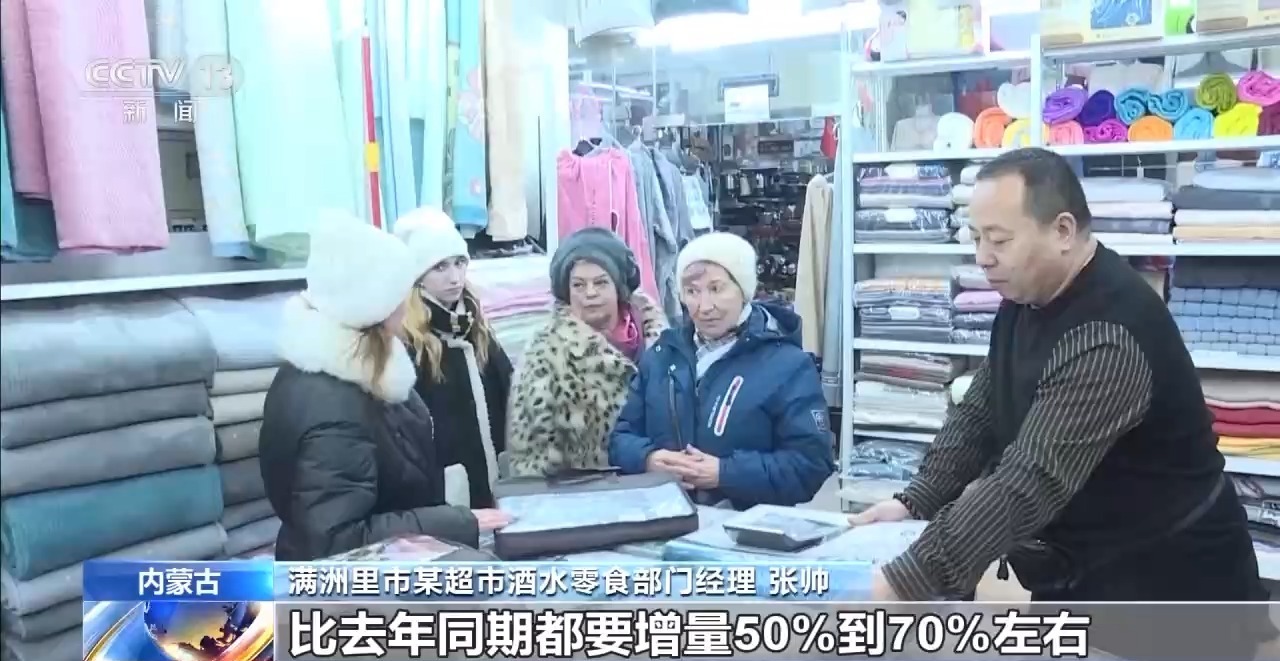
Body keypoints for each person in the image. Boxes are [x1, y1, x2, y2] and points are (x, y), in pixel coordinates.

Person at [850, 149, 1268, 655]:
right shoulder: (1026, 299)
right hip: (1084, 568)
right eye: (976, 238)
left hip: (1173, 588)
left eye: (999, 239)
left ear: (1063, 231)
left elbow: (1029, 479)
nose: (983, 256)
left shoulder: (1108, 333)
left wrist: (907, 579)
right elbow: (981, 410)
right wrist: (915, 500)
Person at [259, 216, 510, 560]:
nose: (407, 303)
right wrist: (454, 522)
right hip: (357, 584)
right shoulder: (334, 408)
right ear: (376, 304)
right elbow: (335, 539)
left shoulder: (356, 374)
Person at [609, 232, 834, 509]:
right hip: (665, 519)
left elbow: (811, 465)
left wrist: (724, 473)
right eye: (692, 292)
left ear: (744, 290)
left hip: (744, 528)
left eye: (716, 289)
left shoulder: (788, 365)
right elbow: (620, 438)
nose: (705, 307)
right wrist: (648, 459)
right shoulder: (662, 356)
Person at [506, 227, 667, 476]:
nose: (590, 293)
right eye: (578, 285)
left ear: (619, 286)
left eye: (601, 282)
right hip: (588, 491)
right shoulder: (546, 353)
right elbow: (531, 459)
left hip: (663, 485)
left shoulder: (662, 342)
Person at [395, 207, 513, 509]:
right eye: (440, 267)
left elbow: (512, 396)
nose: (454, 277)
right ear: (417, 277)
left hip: (498, 489)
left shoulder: (477, 329)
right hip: (442, 498)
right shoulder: (407, 343)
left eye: (460, 263)